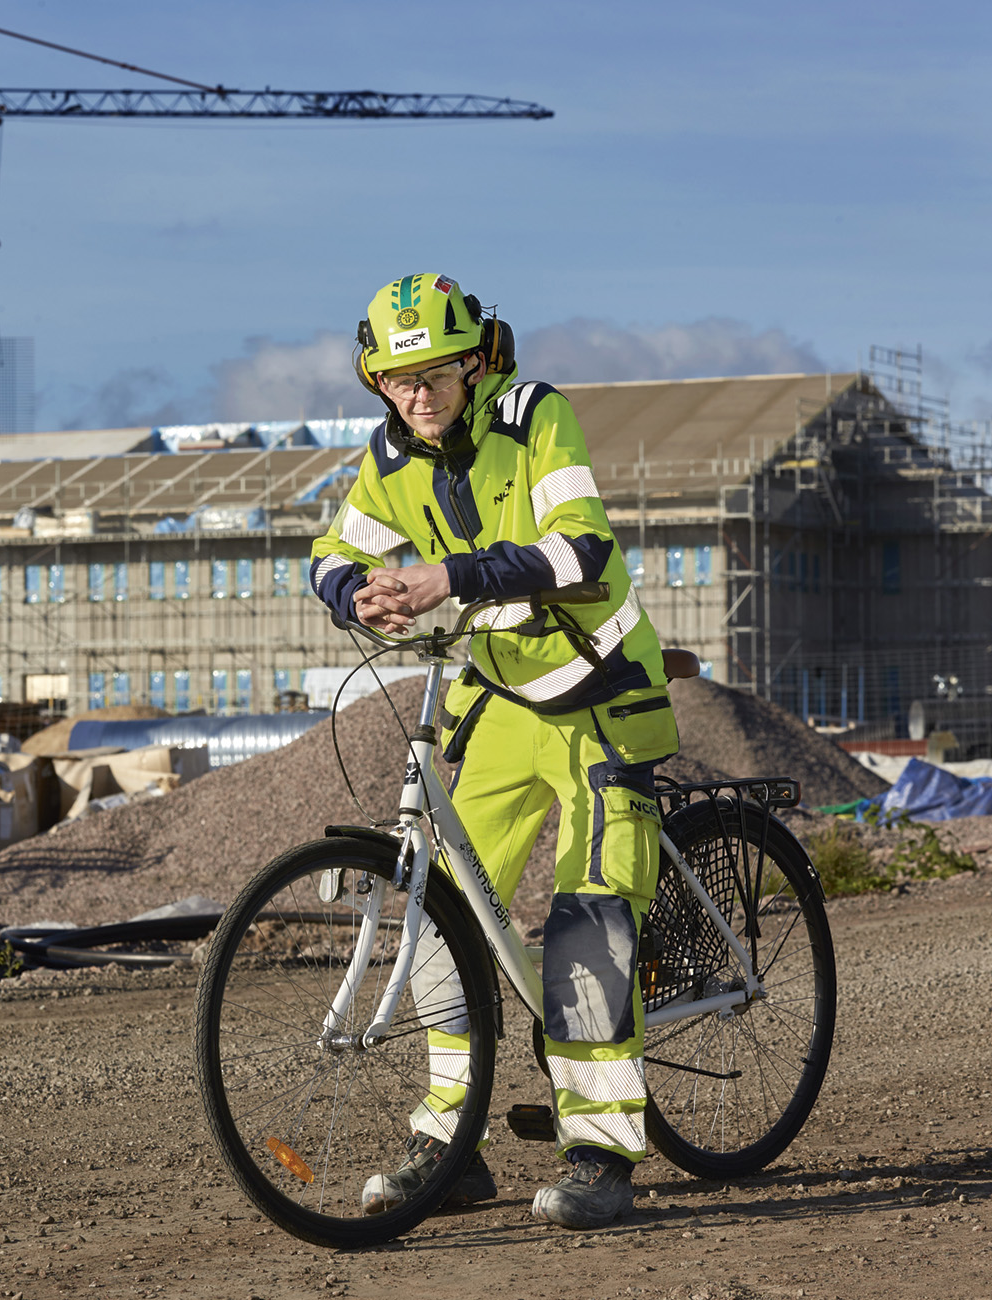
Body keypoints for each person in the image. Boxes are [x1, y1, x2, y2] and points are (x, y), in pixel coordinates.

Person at [310, 273, 678, 1230]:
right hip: (505, 696)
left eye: (433, 372)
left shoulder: (534, 416)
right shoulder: (388, 456)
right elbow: (328, 550)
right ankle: (451, 1142)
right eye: (396, 378)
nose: (417, 394)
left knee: (584, 927)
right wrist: (357, 594)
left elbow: (581, 552)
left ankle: (600, 1153)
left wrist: (444, 577)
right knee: (441, 921)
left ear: (475, 363)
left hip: (599, 688)